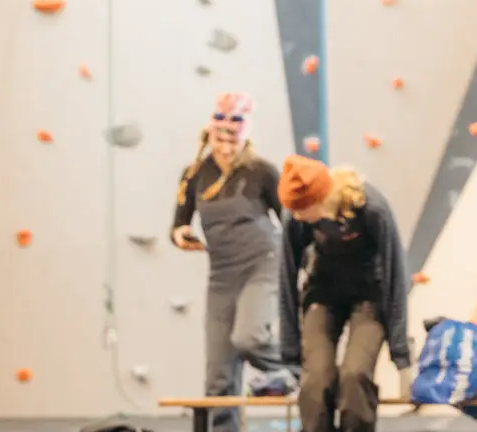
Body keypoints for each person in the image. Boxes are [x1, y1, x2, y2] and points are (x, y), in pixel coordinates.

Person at [171, 93, 289, 432]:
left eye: (233, 136)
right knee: (218, 377)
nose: (226, 145)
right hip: (222, 273)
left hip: (262, 262)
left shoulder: (261, 171)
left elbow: (288, 221)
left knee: (249, 337)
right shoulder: (194, 175)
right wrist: (181, 235)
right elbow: (179, 222)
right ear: (210, 134)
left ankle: (298, 369)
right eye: (220, 135)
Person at [275, 157, 410, 432]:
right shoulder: (296, 217)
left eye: (302, 210)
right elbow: (286, 280)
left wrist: (402, 357)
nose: (296, 216)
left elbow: (397, 278)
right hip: (323, 294)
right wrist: (289, 355)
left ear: (320, 199)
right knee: (317, 381)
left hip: (370, 295)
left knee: (354, 375)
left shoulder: (371, 208)